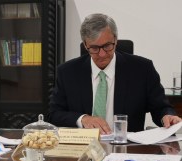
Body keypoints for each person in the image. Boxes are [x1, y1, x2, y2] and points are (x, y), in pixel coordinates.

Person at [48, 13, 181, 134]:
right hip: (83, 148)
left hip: (128, 149)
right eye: (94, 48)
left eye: (107, 46)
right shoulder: (67, 72)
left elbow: (161, 107)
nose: (102, 54)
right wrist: (83, 119)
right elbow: (53, 114)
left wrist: (167, 117)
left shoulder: (142, 69)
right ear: (85, 45)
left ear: (116, 40)